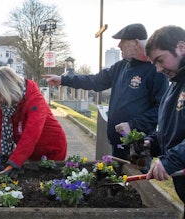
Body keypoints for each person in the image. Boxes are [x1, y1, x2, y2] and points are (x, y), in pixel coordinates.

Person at [46, 23, 168, 160]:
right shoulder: (121, 66)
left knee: (135, 181)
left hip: (138, 148)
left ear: (136, 43)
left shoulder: (156, 70)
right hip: (116, 144)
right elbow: (95, 81)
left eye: (123, 41)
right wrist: (63, 79)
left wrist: (133, 125)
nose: (119, 45)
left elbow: (161, 110)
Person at [143, 26, 185, 219]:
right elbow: (169, 126)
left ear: (180, 47)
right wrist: (153, 142)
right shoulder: (175, 83)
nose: (158, 69)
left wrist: (169, 161)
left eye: (160, 60)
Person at [0, 66, 67, 176]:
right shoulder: (6, 102)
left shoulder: (35, 99)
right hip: (31, 152)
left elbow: (31, 134)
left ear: (9, 89)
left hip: (52, 150)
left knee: (45, 181)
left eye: (0, 96)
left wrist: (14, 163)